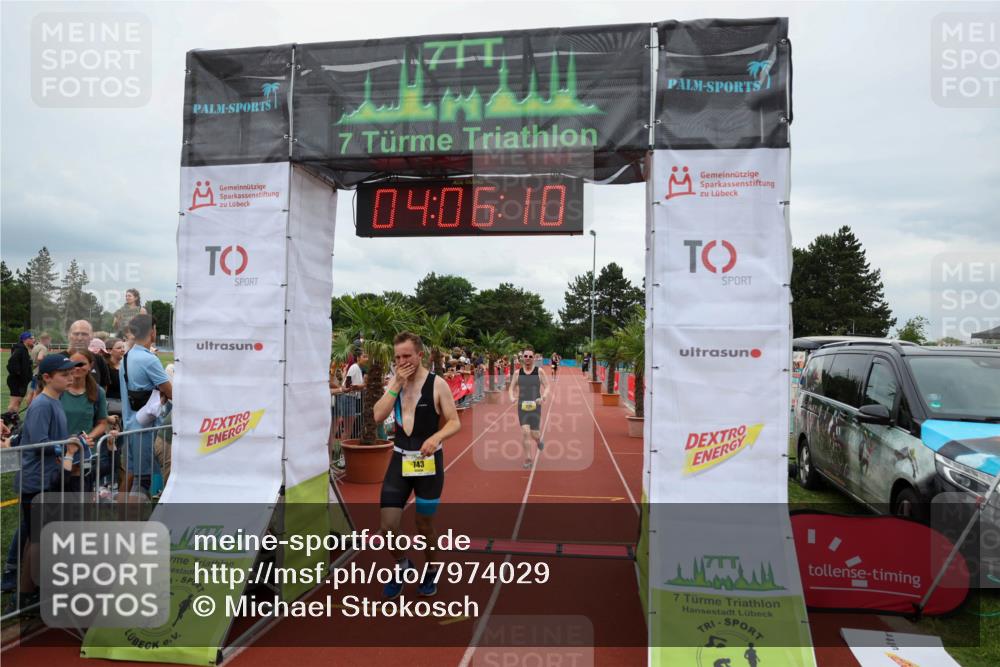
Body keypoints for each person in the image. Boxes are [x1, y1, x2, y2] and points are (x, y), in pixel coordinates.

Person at [372, 332, 461, 599]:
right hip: (400, 460)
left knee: (424, 525)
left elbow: (455, 422)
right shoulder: (395, 382)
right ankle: (403, 564)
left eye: (407, 356)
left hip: (428, 464)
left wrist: (436, 437)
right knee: (388, 526)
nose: (402, 361)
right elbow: (377, 415)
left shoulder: (437, 384)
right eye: (397, 357)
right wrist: (396, 384)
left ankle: (432, 569)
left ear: (420, 355)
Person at [4, 355, 83, 609]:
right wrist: (66, 447)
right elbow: (38, 444)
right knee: (38, 539)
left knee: (35, 537)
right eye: (64, 373)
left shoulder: (54, 401)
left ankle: (27, 591)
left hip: (43, 478)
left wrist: (69, 442)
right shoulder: (42, 405)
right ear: (47, 377)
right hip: (35, 480)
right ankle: (27, 594)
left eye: (71, 373)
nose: (70, 377)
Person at [120, 315, 172, 495]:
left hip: (130, 425)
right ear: (152, 331)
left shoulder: (126, 357)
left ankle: (123, 520)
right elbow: (171, 392)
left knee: (133, 476)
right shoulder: (149, 359)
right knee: (143, 482)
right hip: (145, 429)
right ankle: (136, 521)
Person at [60, 350, 108, 493]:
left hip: (84, 455)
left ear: (91, 366)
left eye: (82, 364)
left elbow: (102, 423)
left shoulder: (98, 392)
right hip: (58, 454)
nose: (77, 367)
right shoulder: (58, 390)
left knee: (80, 499)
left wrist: (87, 438)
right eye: (73, 364)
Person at [508, 346, 550, 469]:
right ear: (522, 358)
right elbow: (511, 388)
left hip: (535, 406)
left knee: (534, 433)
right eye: (525, 356)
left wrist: (543, 397)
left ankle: (538, 441)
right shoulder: (517, 373)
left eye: (530, 356)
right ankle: (528, 458)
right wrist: (511, 397)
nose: (527, 358)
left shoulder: (539, 371)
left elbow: (547, 386)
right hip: (522, 406)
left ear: (534, 358)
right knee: (525, 432)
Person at [66, 320, 111, 391]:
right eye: (76, 334)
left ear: (91, 336)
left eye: (84, 334)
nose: (80, 338)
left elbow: (104, 386)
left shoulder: (99, 359)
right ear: (69, 335)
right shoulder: (57, 359)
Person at [4, 332, 34, 421]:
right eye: (31, 338)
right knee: (14, 404)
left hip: (21, 381)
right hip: (17, 381)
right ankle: (8, 423)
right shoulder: (20, 349)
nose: (33, 340)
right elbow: (11, 363)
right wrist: (19, 374)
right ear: (25, 339)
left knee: (17, 403)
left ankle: (14, 422)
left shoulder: (24, 349)